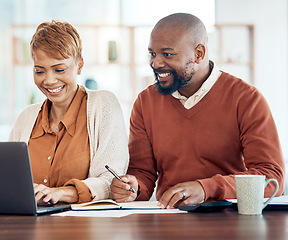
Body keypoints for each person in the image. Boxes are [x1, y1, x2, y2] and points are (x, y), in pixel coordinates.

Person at [110, 13, 285, 209]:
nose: (156, 63)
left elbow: (271, 177)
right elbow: (143, 173)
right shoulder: (145, 102)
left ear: (199, 54)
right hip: (169, 220)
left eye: (167, 54)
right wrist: (133, 188)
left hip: (231, 218)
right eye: (152, 54)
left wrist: (205, 188)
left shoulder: (246, 99)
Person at [9, 20, 129, 204]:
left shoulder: (103, 104)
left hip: (85, 228)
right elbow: (8, 180)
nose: (49, 80)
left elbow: (110, 181)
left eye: (59, 69)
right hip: (29, 226)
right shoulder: (26, 118)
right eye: (40, 71)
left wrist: (58, 193)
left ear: (79, 65)